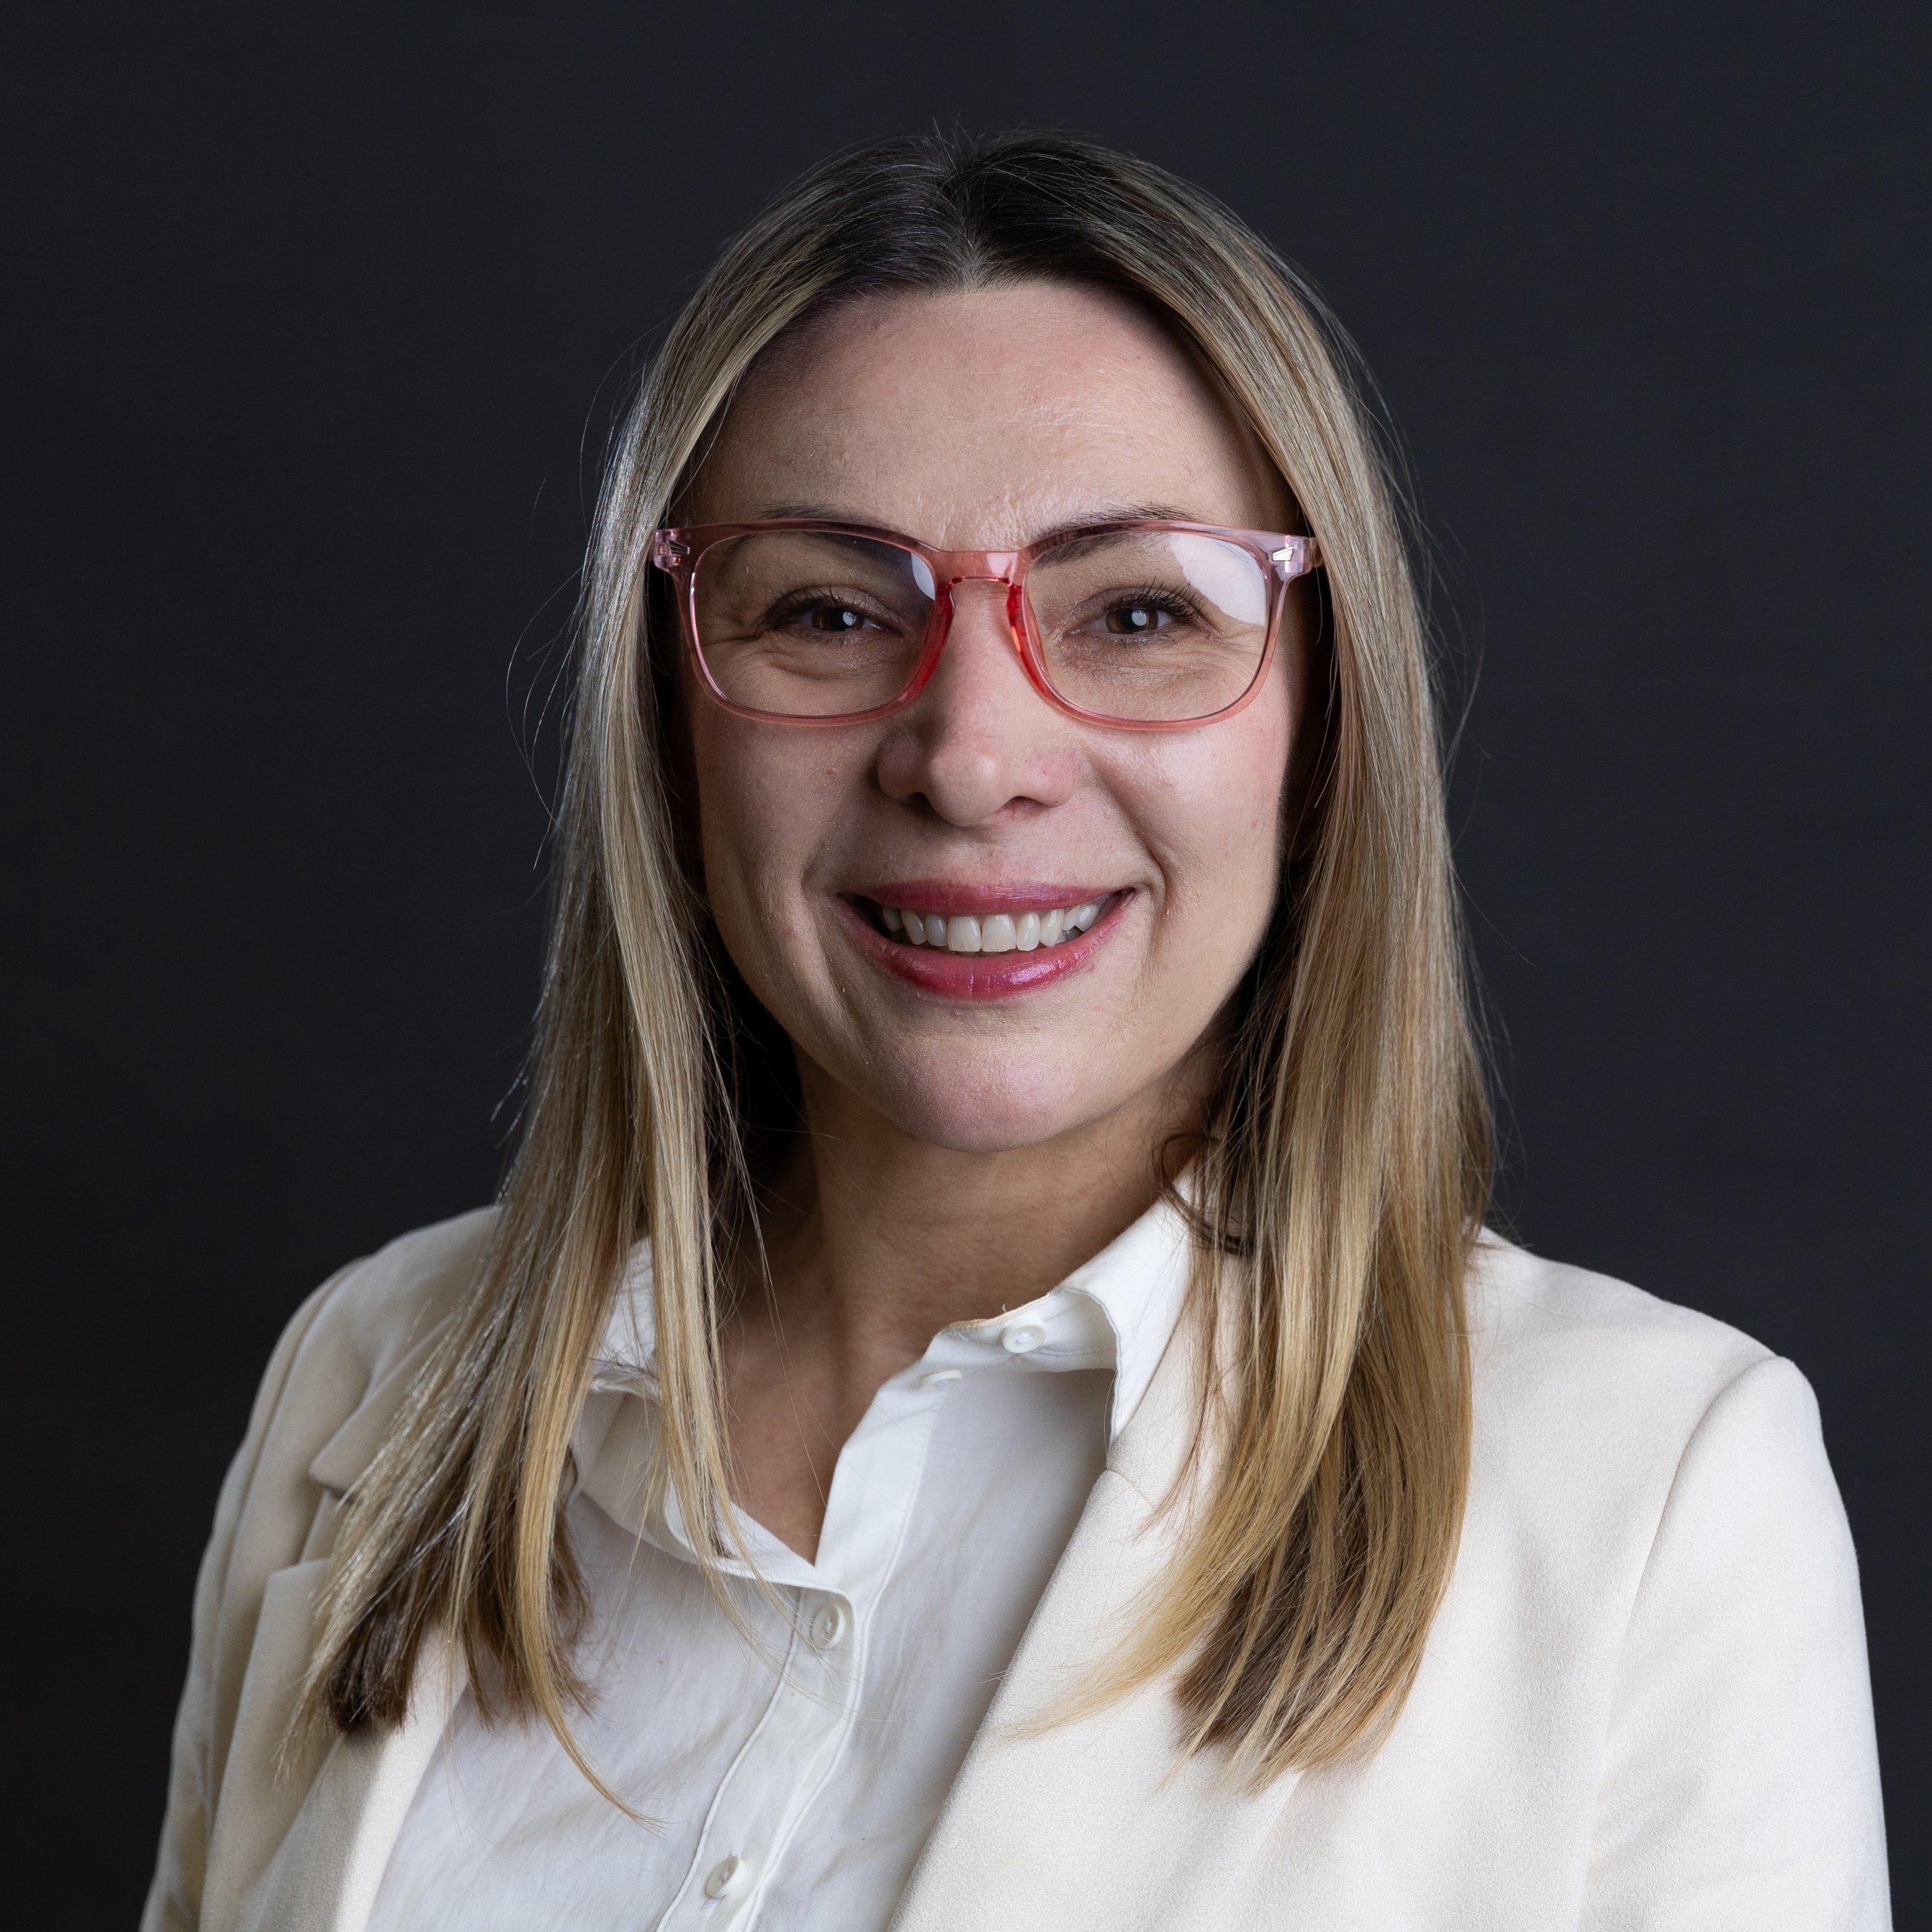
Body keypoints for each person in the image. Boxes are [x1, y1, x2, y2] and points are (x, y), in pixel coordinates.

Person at [143, 131, 1889, 1932]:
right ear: (667, 719)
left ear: (1318, 729)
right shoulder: (373, 1378)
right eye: (825, 609)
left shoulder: (1652, 1495)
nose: (969, 756)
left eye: (1135, 611)